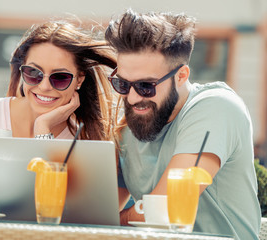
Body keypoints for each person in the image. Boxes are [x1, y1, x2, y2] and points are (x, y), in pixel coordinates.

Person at [0, 20, 116, 218]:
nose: (44, 86)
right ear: (22, 72)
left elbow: (55, 220)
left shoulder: (83, 140)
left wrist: (42, 129)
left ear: (79, 80)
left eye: (60, 77)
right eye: (33, 73)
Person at [105, 9, 261, 240]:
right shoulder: (129, 124)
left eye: (146, 86)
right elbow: (102, 210)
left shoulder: (216, 107)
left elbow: (167, 207)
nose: (133, 98)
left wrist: (116, 221)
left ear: (181, 76)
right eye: (123, 84)